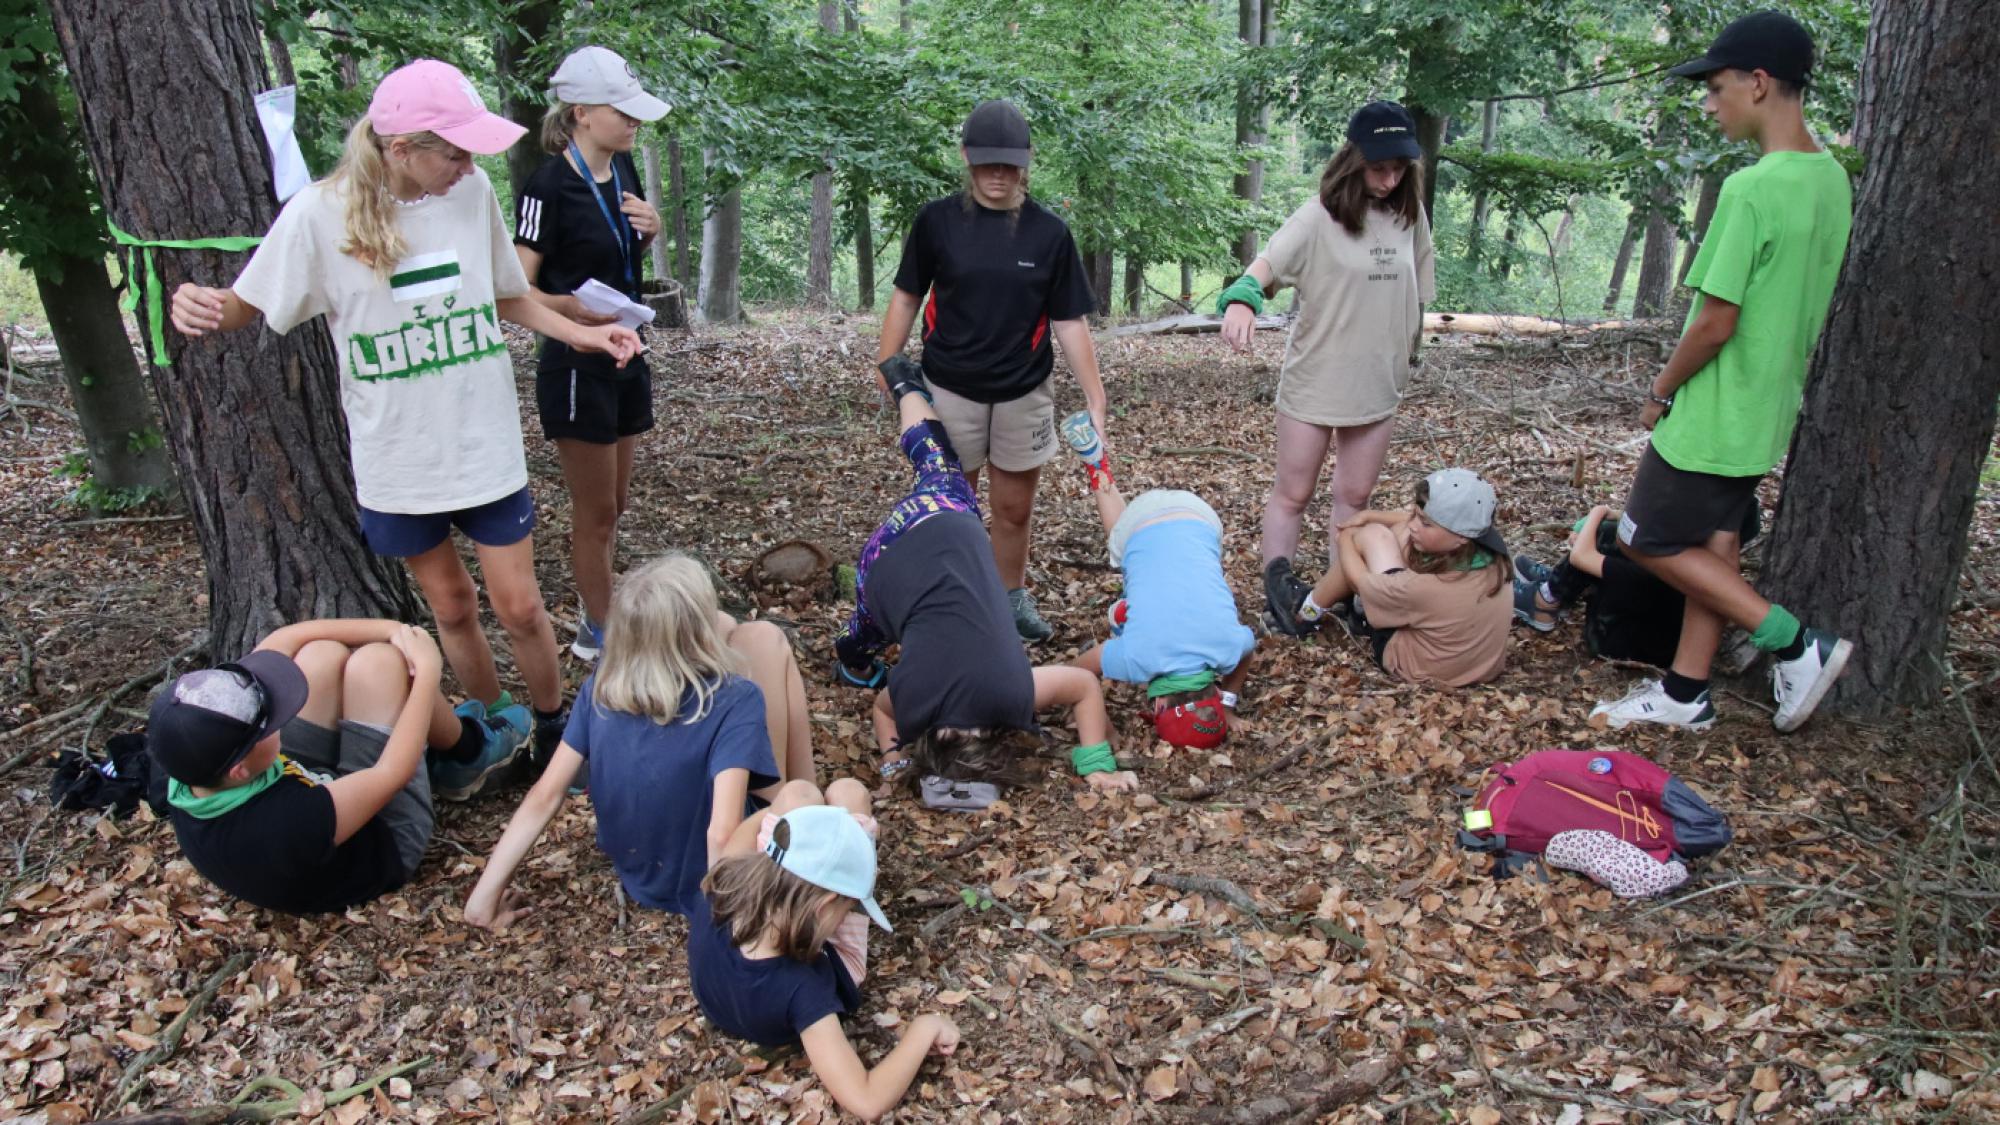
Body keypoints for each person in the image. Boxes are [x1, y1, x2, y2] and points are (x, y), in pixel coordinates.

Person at [169, 60, 641, 789]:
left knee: (519, 606)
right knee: (451, 605)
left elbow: (507, 296)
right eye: (452, 150)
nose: (469, 163)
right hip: (397, 455)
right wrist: (201, 304)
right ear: (399, 149)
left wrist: (584, 335)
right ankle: (493, 730)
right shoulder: (318, 216)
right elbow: (246, 302)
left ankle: (552, 728)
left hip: (482, 440)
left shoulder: (471, 192)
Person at [1591, 10, 1854, 733]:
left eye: (1715, 87)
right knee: (1715, 544)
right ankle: (1684, 691)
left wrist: (1659, 390)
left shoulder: (1753, 189)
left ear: (1759, 83)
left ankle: (1796, 644)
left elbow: (1713, 321)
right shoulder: (1829, 179)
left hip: (1713, 411)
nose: (1709, 104)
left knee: (1642, 538)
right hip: (1767, 405)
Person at [834, 361, 1136, 800]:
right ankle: (853, 660)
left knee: (938, 464)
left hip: (942, 524)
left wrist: (1097, 762)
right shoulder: (914, 706)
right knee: (860, 638)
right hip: (879, 571)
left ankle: (904, 385)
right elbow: (884, 712)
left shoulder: (1010, 698)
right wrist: (892, 758)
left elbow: (1084, 687)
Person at [463, 554, 815, 925]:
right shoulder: (737, 698)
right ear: (696, 634)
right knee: (766, 637)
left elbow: (544, 795)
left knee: (734, 627)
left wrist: (481, 901)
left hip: (642, 875)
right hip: (718, 874)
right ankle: (811, 807)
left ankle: (807, 801)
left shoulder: (602, 685)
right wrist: (722, 931)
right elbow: (722, 831)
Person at [876, 99, 1108, 642]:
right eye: (987, 164)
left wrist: (1095, 399)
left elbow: (1069, 321)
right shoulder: (937, 221)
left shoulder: (1049, 233)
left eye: (1008, 164)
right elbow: (908, 296)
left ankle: (1010, 600)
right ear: (966, 159)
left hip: (1023, 387)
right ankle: (948, 603)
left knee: (1012, 506)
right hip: (949, 384)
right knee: (952, 503)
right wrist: (889, 367)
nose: (998, 175)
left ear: (1025, 162)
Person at [1218, 101, 1436, 636]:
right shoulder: (1319, 216)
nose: (1388, 179)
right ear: (1353, 160)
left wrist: (1409, 348)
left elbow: (1418, 293)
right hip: (1317, 378)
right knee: (1293, 493)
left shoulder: (1411, 217)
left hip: (1378, 382)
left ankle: (1341, 592)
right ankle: (1279, 594)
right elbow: (1263, 268)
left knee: (1355, 500)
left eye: (1398, 168)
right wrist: (1243, 300)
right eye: (1378, 167)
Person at [146, 619, 499, 914]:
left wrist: (393, 629)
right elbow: (392, 772)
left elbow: (282, 640)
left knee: (320, 654)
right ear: (239, 768)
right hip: (382, 839)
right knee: (382, 664)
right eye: (269, 725)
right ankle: (469, 753)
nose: (281, 718)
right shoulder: (285, 822)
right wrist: (427, 672)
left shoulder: (188, 765)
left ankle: (457, 738)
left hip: (305, 791)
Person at [514, 46, 667, 663]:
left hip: (627, 351)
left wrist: (652, 230)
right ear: (580, 112)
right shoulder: (546, 186)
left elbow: (617, 254)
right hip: (574, 364)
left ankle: (592, 613)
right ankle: (604, 636)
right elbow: (515, 288)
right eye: (621, 111)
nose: (634, 123)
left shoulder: (624, 172)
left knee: (616, 504)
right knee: (596, 510)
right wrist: (572, 312)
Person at [690, 793, 961, 1121]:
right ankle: (847, 819)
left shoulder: (720, 889)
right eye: (848, 907)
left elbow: (744, 833)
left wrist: (779, 815)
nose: (849, 912)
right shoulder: (804, 987)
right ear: (824, 907)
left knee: (799, 795)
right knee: (853, 797)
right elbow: (866, 1100)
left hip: (736, 978)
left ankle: (819, 820)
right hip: (815, 955)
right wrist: (925, 1028)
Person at [1058, 412, 1256, 749]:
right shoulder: (1136, 659)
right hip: (1141, 524)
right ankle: (1097, 466)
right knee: (1125, 549)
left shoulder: (1227, 648)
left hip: (1200, 518)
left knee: (1176, 565)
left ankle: (1127, 611)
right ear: (1160, 704)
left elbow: (1249, 648)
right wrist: (1095, 723)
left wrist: (1228, 704)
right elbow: (1077, 671)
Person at [1278, 468, 1512, 688]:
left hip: (1416, 667)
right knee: (1402, 535)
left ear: (1461, 537)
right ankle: (1350, 607)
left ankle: (1305, 611)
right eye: (1416, 515)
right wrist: (1370, 514)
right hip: (1480, 668)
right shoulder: (1495, 559)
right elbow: (1417, 522)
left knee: (1372, 535)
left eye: (1425, 523)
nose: (1413, 524)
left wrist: (1347, 538)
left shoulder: (1426, 587)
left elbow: (1359, 581)